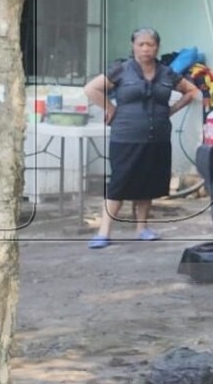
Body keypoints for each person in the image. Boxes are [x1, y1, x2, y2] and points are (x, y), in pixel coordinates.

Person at [83, 28, 201, 249]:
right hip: (126, 135)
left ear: (157, 47)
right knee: (120, 182)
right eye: (141, 44)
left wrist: (172, 109)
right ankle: (104, 232)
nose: (145, 49)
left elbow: (191, 91)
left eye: (150, 44)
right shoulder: (121, 70)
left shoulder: (167, 73)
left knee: (148, 183)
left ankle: (142, 228)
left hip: (157, 136)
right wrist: (110, 108)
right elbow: (91, 89)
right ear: (133, 46)